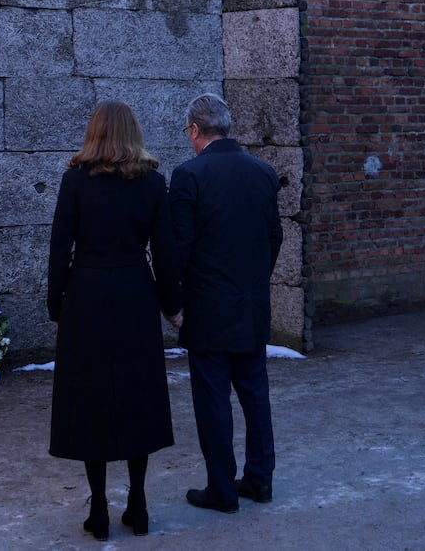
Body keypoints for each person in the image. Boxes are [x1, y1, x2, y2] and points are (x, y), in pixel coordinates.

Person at [47, 100, 183, 540]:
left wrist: (56, 306)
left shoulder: (74, 182)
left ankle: (100, 510)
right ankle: (139, 504)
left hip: (86, 294)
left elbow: (59, 249)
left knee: (90, 399)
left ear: (95, 133)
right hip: (134, 294)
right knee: (136, 393)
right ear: (133, 134)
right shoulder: (152, 184)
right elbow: (165, 252)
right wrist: (170, 304)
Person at [169, 92, 283, 514]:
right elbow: (274, 237)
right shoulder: (263, 172)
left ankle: (221, 486)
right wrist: (254, 282)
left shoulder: (189, 176)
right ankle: (260, 479)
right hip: (250, 306)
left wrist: (174, 302)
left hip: (208, 308)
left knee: (213, 398)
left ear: (195, 130)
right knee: (255, 393)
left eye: (189, 133)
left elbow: (179, 248)